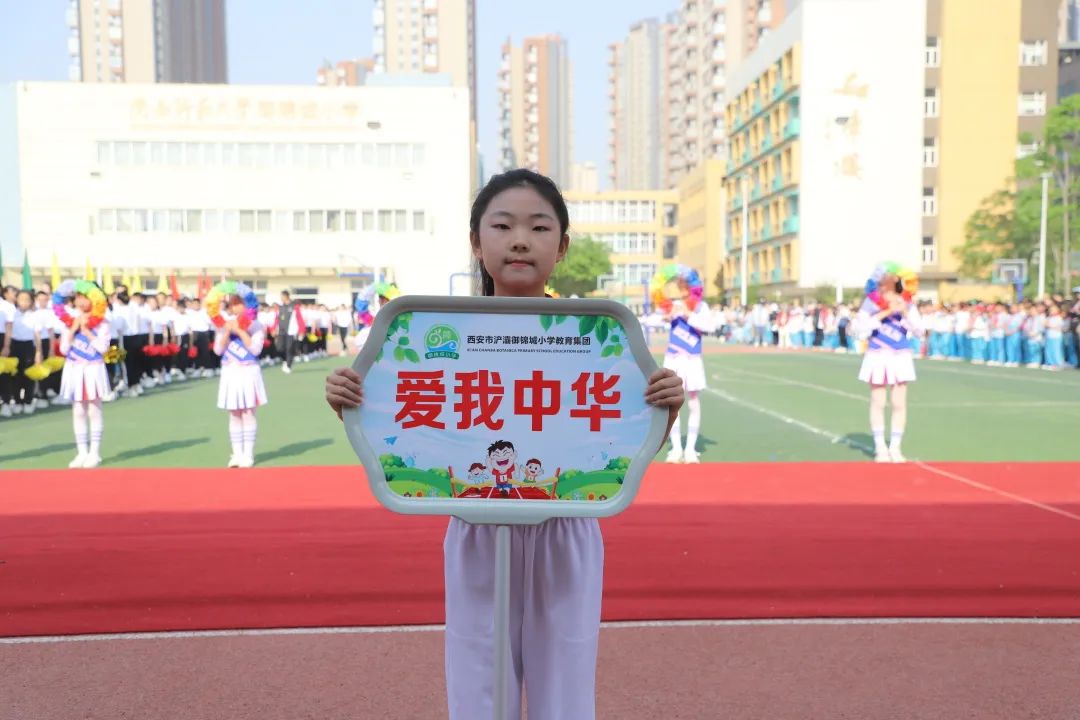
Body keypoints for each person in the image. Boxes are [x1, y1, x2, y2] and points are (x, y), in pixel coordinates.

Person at [323, 168, 684, 720]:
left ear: (561, 247)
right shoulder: (427, 332)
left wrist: (661, 408)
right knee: (477, 677)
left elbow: (615, 447)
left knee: (564, 677)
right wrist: (355, 397)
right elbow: (400, 427)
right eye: (503, 225)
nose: (520, 239)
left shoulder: (597, 338)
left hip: (565, 525)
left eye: (540, 227)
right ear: (476, 241)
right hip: (476, 523)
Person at [856, 273, 923, 463]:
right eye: (884, 279)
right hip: (877, 354)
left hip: (900, 355)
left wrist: (904, 312)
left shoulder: (908, 303)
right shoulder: (871, 303)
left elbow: (919, 331)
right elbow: (859, 329)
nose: (888, 283)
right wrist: (884, 312)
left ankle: (895, 446)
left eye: (892, 279)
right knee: (878, 401)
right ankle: (880, 447)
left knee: (899, 403)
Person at [661, 273, 714, 464]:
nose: (682, 292)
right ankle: (675, 448)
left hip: (692, 359)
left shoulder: (701, 307)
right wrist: (667, 317)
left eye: (684, 288)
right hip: (673, 358)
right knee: (672, 403)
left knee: (693, 400)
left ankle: (690, 449)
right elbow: (653, 320)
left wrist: (688, 315)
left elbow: (709, 327)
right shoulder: (672, 305)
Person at [58, 283, 112, 468]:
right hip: (74, 369)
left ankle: (94, 453)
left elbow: (103, 348)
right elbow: (64, 349)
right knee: (78, 410)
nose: (81, 301)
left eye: (85, 297)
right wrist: (73, 329)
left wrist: (87, 332)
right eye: (78, 297)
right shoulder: (70, 320)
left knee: (94, 410)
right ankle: (81, 452)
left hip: (93, 369)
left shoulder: (103, 322)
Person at [214, 291, 268, 468]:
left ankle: (248, 454)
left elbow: (255, 350)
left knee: (248, 412)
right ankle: (236, 454)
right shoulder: (224, 324)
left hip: (248, 371)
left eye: (238, 304)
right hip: (230, 371)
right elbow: (217, 350)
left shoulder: (256, 325)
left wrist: (239, 330)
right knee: (234, 413)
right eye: (232, 304)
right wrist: (227, 333)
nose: (235, 308)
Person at [9, 290, 43, 415]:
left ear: (31, 301)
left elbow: (37, 335)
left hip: (29, 346)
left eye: (26, 299)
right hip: (15, 345)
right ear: (16, 301)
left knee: (28, 375)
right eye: (21, 299)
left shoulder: (35, 316)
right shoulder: (12, 314)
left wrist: (38, 352)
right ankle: (18, 401)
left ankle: (28, 401)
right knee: (15, 374)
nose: (23, 302)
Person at [0, 288, 14, 418]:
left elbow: (9, 327)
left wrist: (6, 345)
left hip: (2, 339)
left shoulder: (6, 306)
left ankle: (6, 402)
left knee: (3, 374)